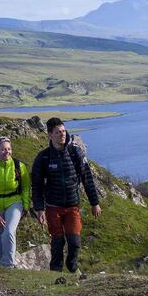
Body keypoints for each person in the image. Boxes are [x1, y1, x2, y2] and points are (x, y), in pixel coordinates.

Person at [31, 117, 101, 273]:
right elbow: (36, 185)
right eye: (57, 132)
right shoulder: (43, 157)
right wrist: (39, 208)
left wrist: (94, 203)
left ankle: (72, 267)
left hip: (72, 206)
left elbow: (87, 178)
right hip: (52, 207)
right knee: (57, 242)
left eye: (63, 131)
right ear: (50, 134)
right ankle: (55, 272)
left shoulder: (76, 152)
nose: (62, 135)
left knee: (74, 241)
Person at [0, 136, 30, 267]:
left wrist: (25, 206)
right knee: (0, 238)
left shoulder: (19, 166)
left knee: (8, 232)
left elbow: (25, 187)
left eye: (9, 149)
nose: (7, 152)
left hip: (14, 203)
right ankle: (0, 266)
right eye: (3, 149)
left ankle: (8, 266)